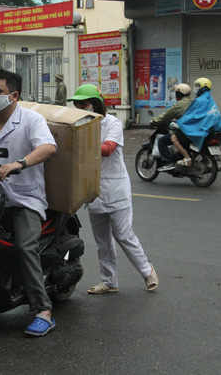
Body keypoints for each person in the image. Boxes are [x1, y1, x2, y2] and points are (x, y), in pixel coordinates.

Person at [0, 68, 57, 337]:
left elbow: (48, 148)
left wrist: (19, 163)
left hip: (25, 198)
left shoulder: (31, 120)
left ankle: (43, 310)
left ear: (14, 96)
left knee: (24, 246)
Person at [67, 84, 158, 295]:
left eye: (84, 104)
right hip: (93, 190)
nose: (80, 108)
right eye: (77, 104)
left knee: (123, 234)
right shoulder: (78, 126)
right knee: (102, 241)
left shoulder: (113, 124)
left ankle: (147, 271)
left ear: (96, 104)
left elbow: (107, 149)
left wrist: (79, 143)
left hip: (116, 188)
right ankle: (109, 281)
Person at [168, 77, 221, 168]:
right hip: (213, 129)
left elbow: (191, 116)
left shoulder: (199, 100)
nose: (195, 88)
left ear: (203, 87)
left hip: (201, 130)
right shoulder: (209, 99)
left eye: (198, 86)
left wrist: (180, 123)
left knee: (174, 137)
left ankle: (187, 158)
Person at [150, 83, 194, 171]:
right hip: (194, 129)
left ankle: (168, 162)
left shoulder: (180, 104)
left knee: (162, 141)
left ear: (179, 94)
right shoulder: (193, 101)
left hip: (185, 131)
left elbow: (166, 115)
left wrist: (154, 121)